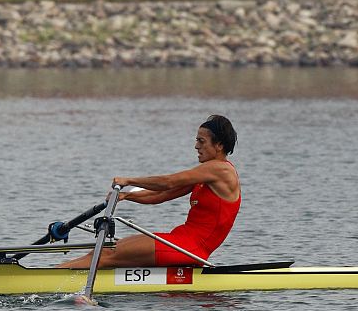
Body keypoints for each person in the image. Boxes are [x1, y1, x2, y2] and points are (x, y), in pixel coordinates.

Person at [58, 115, 240, 269]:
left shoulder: (221, 170)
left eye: (201, 141)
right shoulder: (206, 174)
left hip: (189, 248)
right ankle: (52, 274)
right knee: (104, 250)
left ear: (219, 146)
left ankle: (43, 279)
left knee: (106, 253)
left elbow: (168, 182)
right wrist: (127, 196)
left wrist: (129, 180)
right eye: (196, 140)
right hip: (180, 240)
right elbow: (161, 195)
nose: (196, 146)